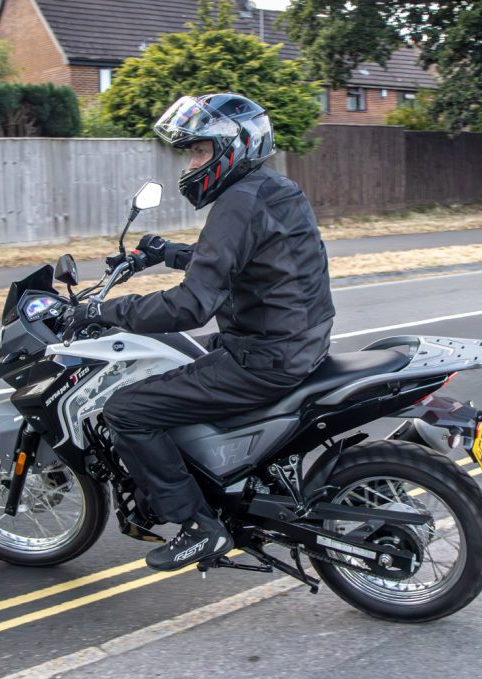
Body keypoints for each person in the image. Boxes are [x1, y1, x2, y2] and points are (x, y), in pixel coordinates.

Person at [64, 93, 335, 571]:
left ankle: (198, 526)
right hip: (294, 341)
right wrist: (166, 252)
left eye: (199, 152)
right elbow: (240, 264)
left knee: (127, 410)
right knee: (166, 356)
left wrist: (107, 311)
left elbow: (192, 304)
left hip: (264, 356)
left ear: (235, 146)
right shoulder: (270, 189)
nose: (191, 163)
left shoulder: (238, 203)